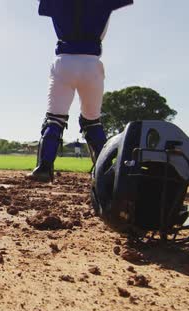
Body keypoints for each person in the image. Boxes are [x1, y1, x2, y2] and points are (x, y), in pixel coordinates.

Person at [29, 0, 133, 182]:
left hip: (64, 61)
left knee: (55, 119)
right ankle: (106, 171)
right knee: (92, 121)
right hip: (91, 63)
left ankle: (44, 167)